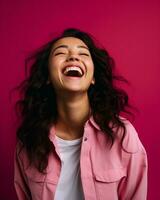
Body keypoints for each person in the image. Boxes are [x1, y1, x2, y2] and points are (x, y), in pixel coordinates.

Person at [14, 28, 148, 200]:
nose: (73, 57)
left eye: (83, 54)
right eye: (61, 52)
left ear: (93, 78)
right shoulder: (27, 141)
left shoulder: (123, 136)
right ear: (47, 76)